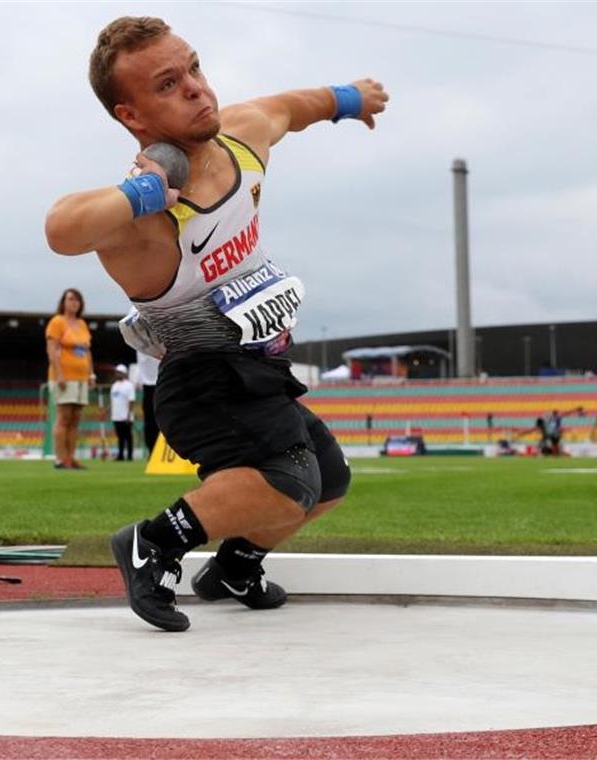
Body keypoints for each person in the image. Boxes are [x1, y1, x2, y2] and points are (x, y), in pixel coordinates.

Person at [45, 16, 387, 631]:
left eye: (195, 68)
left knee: (329, 478)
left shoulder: (241, 137)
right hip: (200, 382)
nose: (198, 88)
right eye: (169, 84)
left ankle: (235, 564)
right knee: (290, 479)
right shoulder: (144, 220)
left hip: (259, 368)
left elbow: (291, 106)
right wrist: (140, 195)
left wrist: (348, 100)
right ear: (132, 115)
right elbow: (61, 228)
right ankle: (153, 542)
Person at [45, 288, 95, 470]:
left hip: (81, 377)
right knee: (64, 417)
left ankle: (71, 457)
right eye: (70, 299)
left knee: (75, 418)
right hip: (65, 376)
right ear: (63, 302)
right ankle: (60, 458)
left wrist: (91, 373)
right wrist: (59, 374)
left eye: (77, 300)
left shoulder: (82, 324)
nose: (74, 302)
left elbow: (87, 351)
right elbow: (52, 350)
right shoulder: (57, 322)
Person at [135, 349, 160, 455]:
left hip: (162, 380)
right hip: (149, 385)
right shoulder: (140, 339)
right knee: (150, 421)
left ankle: (161, 451)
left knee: (162, 420)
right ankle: (152, 450)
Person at [109, 363, 136, 461]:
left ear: (124, 373)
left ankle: (129, 455)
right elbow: (113, 401)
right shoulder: (114, 386)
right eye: (117, 372)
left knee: (128, 436)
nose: (117, 374)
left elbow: (131, 401)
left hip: (126, 416)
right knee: (120, 437)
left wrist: (129, 415)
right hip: (116, 416)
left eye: (119, 372)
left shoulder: (129, 385)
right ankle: (120, 455)